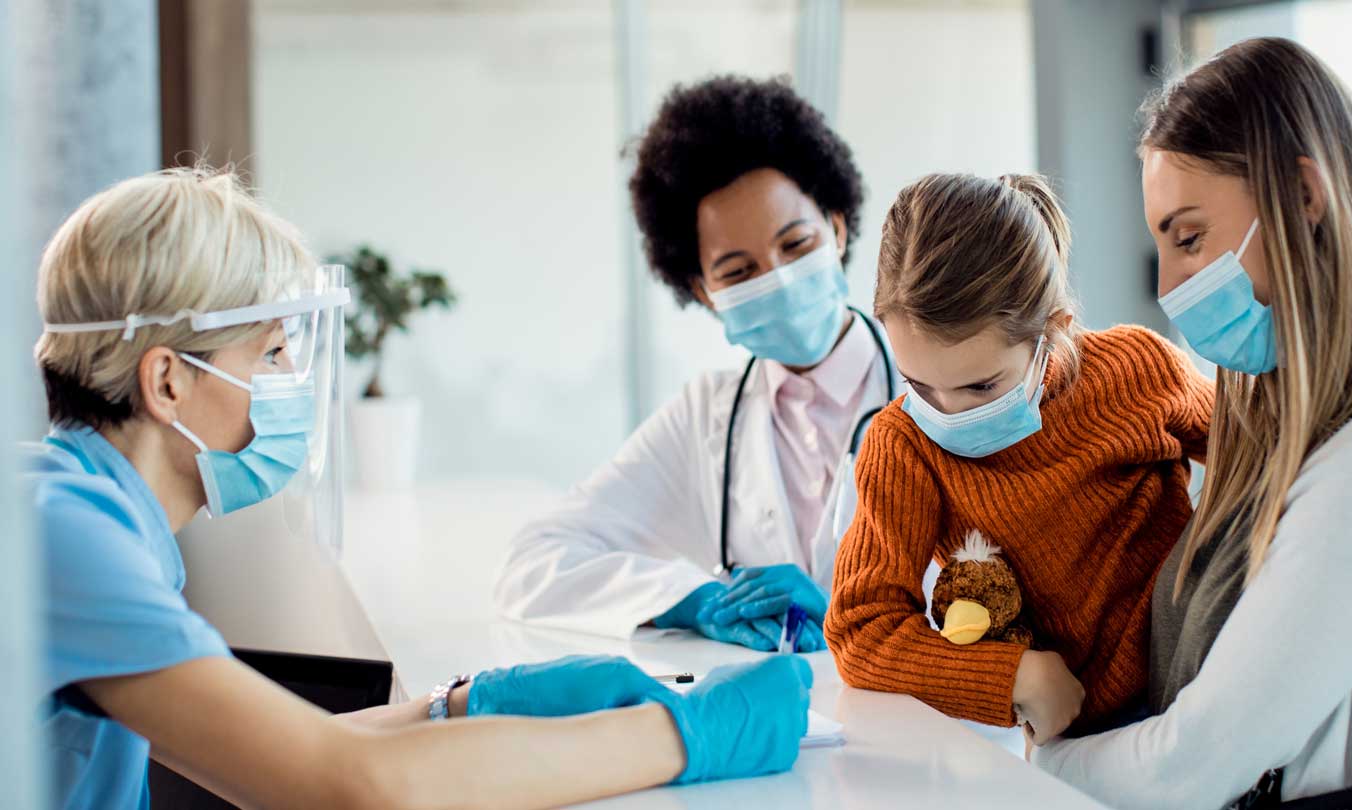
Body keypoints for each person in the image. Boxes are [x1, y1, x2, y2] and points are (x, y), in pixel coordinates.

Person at [29, 166, 813, 810]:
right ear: (166, 381)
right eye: (269, 356)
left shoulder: (92, 518)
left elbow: (267, 755)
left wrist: (463, 705)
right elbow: (350, 786)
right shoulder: (71, 545)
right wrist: (691, 735)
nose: (290, 385)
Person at [1029, 38, 1352, 808]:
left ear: (1303, 194)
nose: (1167, 283)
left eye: (1188, 237)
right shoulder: (1278, 443)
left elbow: (1191, 767)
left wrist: (1025, 763)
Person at [494, 76, 898, 651]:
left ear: (837, 227)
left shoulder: (940, 388)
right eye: (738, 272)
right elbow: (533, 564)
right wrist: (694, 599)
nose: (777, 278)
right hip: (790, 730)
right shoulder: (705, 417)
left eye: (796, 244)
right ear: (705, 291)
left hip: (942, 730)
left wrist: (849, 618)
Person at [824, 172, 1215, 743]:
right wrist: (1015, 678)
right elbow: (861, 629)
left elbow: (1264, 460)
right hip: (1082, 729)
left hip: (1205, 678)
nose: (947, 411)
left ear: (1053, 329)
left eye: (980, 387)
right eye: (918, 384)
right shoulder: (903, 445)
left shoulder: (1137, 367)